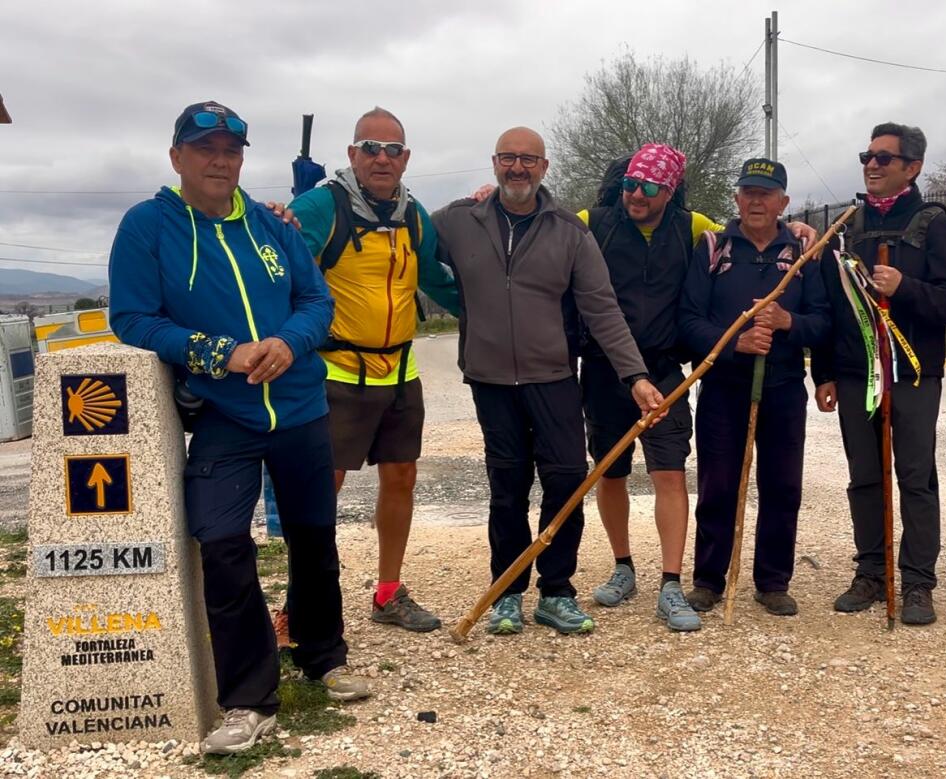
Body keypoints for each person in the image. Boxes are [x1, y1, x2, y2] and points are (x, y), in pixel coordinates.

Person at [109, 101, 369, 756]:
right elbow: (134, 319)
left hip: (301, 407)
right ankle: (250, 700)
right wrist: (216, 352)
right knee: (223, 545)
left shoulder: (270, 224)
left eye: (231, 150)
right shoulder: (146, 227)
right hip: (224, 414)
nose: (220, 160)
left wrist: (286, 341)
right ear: (177, 158)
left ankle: (323, 654)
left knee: (314, 540)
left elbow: (317, 301)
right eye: (205, 149)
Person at [574, 144, 817, 632]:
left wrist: (799, 230)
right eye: (629, 184)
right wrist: (491, 197)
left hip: (665, 371)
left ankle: (670, 582)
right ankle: (624, 567)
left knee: (669, 472)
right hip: (605, 370)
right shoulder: (590, 220)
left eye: (648, 187)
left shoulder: (694, 227)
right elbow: (539, 222)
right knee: (611, 471)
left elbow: (750, 231)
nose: (635, 195)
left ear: (669, 191)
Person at [431, 127, 661, 636]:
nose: (518, 168)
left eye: (528, 160)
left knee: (567, 480)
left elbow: (602, 310)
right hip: (490, 381)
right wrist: (461, 304)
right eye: (509, 158)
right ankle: (507, 592)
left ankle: (556, 592)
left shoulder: (569, 231)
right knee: (506, 487)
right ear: (494, 163)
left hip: (554, 377)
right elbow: (409, 250)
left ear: (544, 167)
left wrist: (635, 376)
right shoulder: (456, 220)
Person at [286, 107, 460, 633]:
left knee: (402, 477)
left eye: (392, 150)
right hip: (336, 371)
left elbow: (436, 277)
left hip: (399, 370)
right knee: (324, 489)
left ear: (406, 158)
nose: (381, 158)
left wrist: (495, 311)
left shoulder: (413, 213)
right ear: (351, 155)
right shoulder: (320, 206)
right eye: (370, 147)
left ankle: (388, 593)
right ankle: (302, 606)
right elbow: (287, 277)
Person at [811, 123, 946, 625]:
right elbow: (831, 306)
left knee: (916, 477)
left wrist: (904, 287)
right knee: (864, 476)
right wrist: (826, 374)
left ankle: (918, 582)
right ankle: (872, 573)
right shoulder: (848, 226)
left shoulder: (934, 224)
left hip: (914, 374)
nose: (871, 165)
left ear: (912, 167)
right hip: (858, 375)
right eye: (867, 156)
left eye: (883, 158)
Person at [678, 158, 831, 617]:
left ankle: (772, 580)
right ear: (737, 198)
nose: (756, 201)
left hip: (783, 388)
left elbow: (825, 323)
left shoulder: (805, 254)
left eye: (766, 193)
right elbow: (688, 321)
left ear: (784, 202)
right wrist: (735, 343)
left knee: (782, 486)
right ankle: (708, 579)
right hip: (724, 389)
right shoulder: (712, 248)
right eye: (748, 192)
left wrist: (788, 322)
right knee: (717, 485)